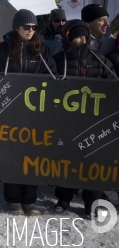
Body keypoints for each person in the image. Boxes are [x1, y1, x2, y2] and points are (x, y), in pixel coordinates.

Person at [0, 9, 57, 215]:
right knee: (12, 155)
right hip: (9, 111)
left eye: (34, 28)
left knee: (32, 156)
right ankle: (13, 199)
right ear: (16, 28)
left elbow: (51, 77)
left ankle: (30, 200)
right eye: (26, 27)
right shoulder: (2, 49)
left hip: (34, 112)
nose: (30, 31)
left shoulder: (41, 50)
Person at [52, 19, 117, 219]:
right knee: (66, 159)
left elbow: (113, 84)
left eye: (84, 37)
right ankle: (64, 198)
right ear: (69, 38)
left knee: (93, 163)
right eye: (78, 37)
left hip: (94, 124)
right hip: (67, 121)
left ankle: (92, 201)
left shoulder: (99, 60)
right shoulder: (59, 60)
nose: (82, 40)